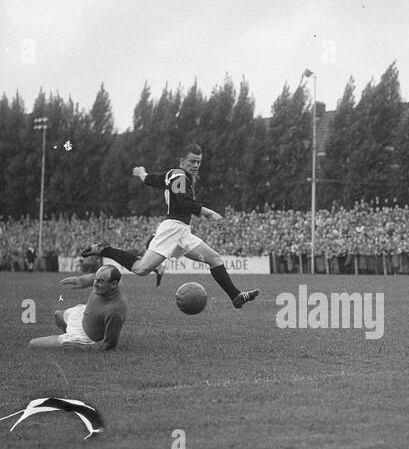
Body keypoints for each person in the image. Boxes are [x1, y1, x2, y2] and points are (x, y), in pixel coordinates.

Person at [81, 144, 259, 309]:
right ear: (181, 161)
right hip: (173, 229)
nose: (196, 165)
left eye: (198, 162)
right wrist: (210, 212)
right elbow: (183, 202)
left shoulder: (172, 175)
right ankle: (105, 249)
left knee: (215, 259)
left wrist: (142, 174)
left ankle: (236, 296)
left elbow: (153, 180)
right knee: (141, 269)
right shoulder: (180, 176)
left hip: (182, 230)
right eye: (192, 161)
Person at [29, 264, 127, 350]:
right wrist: (81, 280)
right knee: (57, 315)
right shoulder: (112, 283)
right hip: (83, 315)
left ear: (114, 284)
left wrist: (82, 348)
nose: (94, 284)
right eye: (95, 280)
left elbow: (109, 345)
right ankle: (70, 335)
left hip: (86, 336)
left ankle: (74, 339)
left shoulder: (115, 311)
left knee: (33, 344)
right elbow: (94, 277)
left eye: (100, 281)